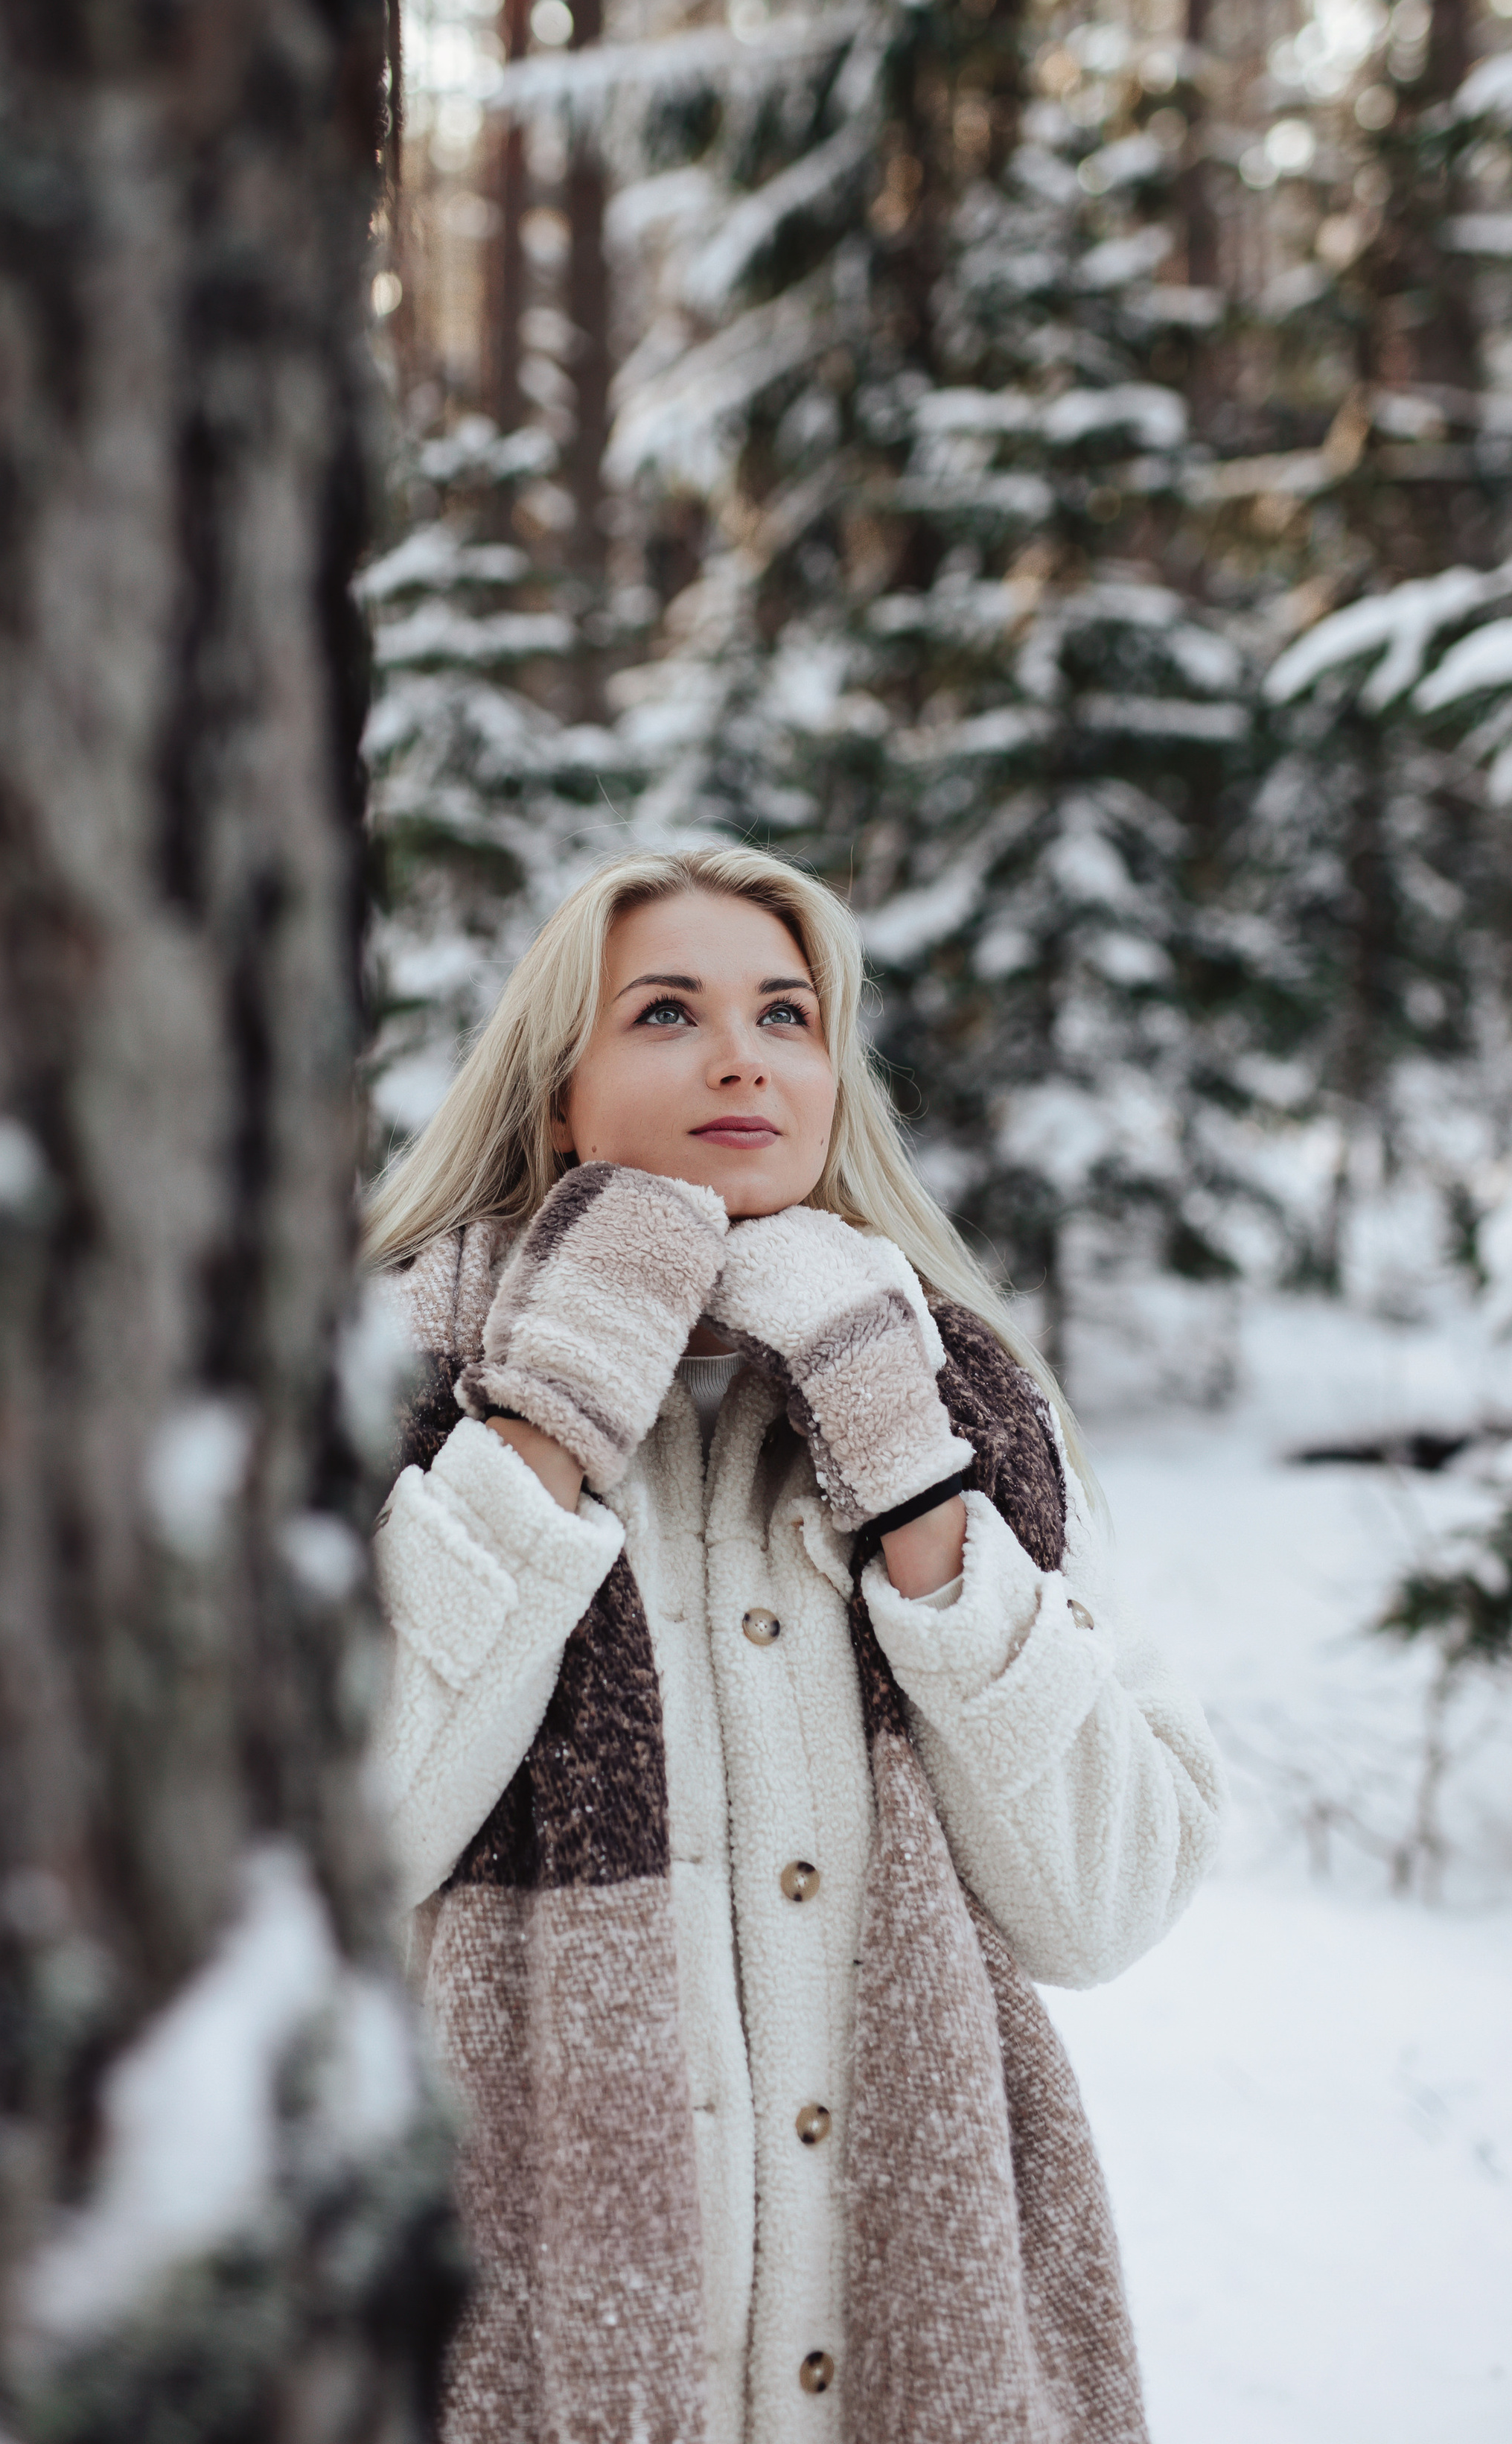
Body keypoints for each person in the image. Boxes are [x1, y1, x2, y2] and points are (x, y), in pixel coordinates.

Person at [363, 845, 1223, 2444]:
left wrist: (899, 1450)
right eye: (667, 1013)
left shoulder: (969, 1414)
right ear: (556, 1090)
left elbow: (1104, 1898)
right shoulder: (383, 1396)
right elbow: (346, 1833)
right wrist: (558, 1390)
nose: (742, 1055)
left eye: (784, 1012)